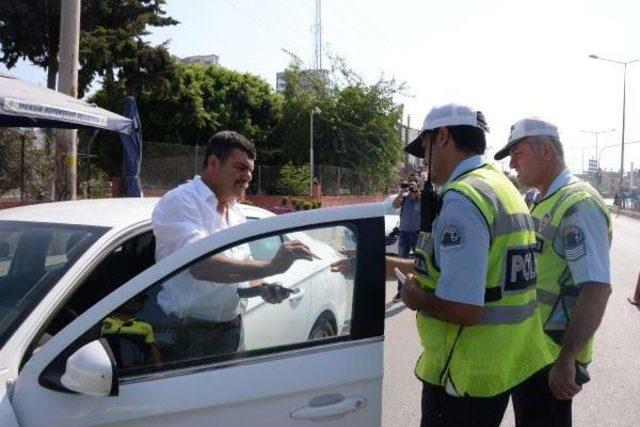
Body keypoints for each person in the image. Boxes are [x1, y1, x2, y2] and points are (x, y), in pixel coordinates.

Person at [392, 103, 552, 426]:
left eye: (424, 146)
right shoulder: (503, 188)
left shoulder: (463, 199)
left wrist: (416, 298)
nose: (423, 159)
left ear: (443, 137)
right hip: (499, 368)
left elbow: (465, 309)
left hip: (462, 374)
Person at [152, 131, 313, 358]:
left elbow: (242, 266)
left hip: (231, 330)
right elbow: (201, 265)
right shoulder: (180, 201)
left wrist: (262, 288)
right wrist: (272, 266)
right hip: (184, 335)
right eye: (240, 168)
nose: (248, 177)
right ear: (214, 163)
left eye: (250, 171)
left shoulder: (235, 210)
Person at [494, 118, 612, 426]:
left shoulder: (578, 204)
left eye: (517, 153)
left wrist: (567, 358)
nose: (512, 162)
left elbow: (596, 287)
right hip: (530, 351)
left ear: (544, 149)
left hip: (552, 356)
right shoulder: (537, 201)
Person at [391, 173, 421, 302]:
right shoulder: (403, 198)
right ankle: (401, 292)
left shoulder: (421, 196)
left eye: (414, 181)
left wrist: (417, 192)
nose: (412, 183)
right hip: (404, 234)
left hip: (417, 234)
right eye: (410, 181)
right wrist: (402, 191)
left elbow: (425, 205)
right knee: (401, 262)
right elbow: (394, 205)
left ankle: (419, 290)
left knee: (420, 263)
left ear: (418, 183)